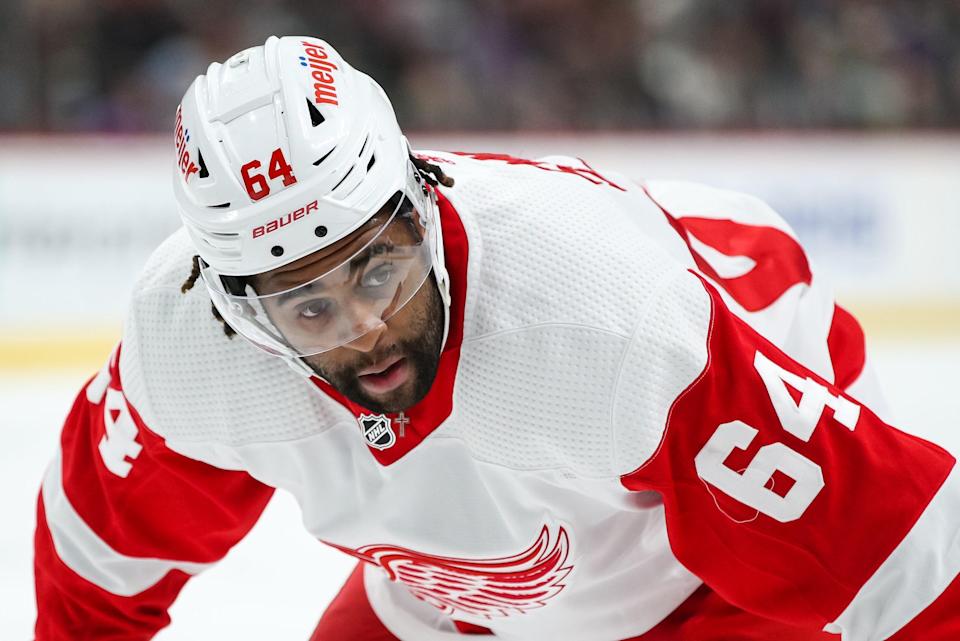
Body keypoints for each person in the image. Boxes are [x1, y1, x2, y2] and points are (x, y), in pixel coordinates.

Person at [33, 36, 960, 641]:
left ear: (423, 208)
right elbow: (94, 574)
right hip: (462, 597)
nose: (365, 330)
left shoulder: (602, 325)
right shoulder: (188, 344)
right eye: (306, 308)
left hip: (704, 579)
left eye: (378, 269)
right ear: (234, 311)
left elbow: (911, 555)